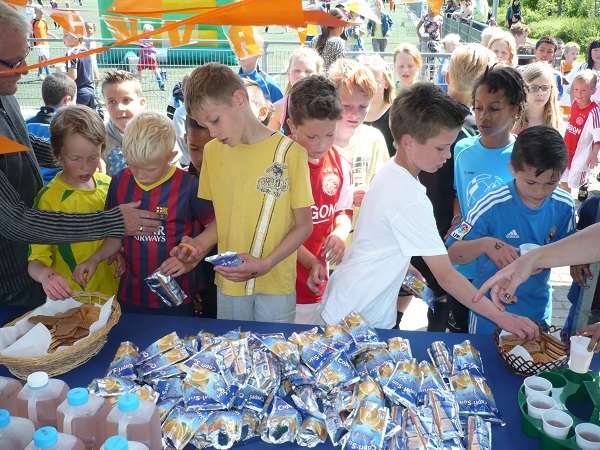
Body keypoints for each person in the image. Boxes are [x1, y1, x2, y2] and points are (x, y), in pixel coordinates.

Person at [318, 82, 539, 340]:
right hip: (356, 319)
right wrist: (503, 318)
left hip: (353, 307)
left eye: (450, 146)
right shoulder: (409, 197)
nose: (448, 155)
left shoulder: (393, 171)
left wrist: (401, 264)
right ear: (409, 142)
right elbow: (446, 276)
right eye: (440, 147)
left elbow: (378, 237)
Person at [0, 1, 160, 308]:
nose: (22, 71)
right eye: (11, 63)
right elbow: (14, 222)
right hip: (10, 281)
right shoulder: (51, 198)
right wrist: (112, 221)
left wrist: (69, 155)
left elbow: (18, 141)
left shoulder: (4, 90)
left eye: (25, 59)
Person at [174, 63, 314, 323]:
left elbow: (304, 226)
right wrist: (199, 245)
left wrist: (266, 263)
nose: (213, 133)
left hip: (275, 285)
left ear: (239, 99)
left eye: (214, 120)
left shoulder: (291, 154)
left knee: (273, 355)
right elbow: (224, 220)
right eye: (205, 126)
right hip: (230, 284)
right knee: (233, 354)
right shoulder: (214, 153)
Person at [73, 111, 215, 316]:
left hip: (177, 293)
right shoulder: (120, 181)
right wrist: (94, 259)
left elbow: (214, 225)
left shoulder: (189, 186)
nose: (140, 175)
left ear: (171, 156)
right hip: (131, 292)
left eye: (149, 169)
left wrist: (191, 253)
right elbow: (116, 234)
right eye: (133, 165)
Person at [447, 126, 575, 333]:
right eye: (531, 182)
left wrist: (575, 262)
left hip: (537, 313)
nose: (540, 192)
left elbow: (571, 249)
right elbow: (452, 253)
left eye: (551, 183)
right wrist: (486, 245)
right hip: (490, 316)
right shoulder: (490, 204)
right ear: (512, 169)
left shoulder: (564, 205)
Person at [407, 43, 495, 332]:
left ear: (450, 72)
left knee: (409, 294)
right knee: (445, 301)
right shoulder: (472, 130)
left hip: (416, 222)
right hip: (447, 230)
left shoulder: (428, 115)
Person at [450, 64, 527, 333]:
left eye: (495, 109)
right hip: (466, 262)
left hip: (508, 266)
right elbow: (459, 195)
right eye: (478, 107)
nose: (484, 116)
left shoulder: (525, 155)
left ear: (516, 111)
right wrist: (457, 220)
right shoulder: (461, 150)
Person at [28, 105, 120, 300]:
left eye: (93, 157)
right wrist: (47, 276)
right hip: (73, 300)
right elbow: (36, 260)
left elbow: (117, 235)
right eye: (75, 158)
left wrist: (120, 252)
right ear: (58, 154)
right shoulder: (49, 199)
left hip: (114, 296)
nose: (85, 167)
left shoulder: (108, 184)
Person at [285, 76, 353, 325]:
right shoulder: (277, 165)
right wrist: (310, 260)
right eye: (312, 137)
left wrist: (340, 234)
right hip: (282, 283)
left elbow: (343, 212)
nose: (321, 144)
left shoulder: (341, 162)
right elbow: (278, 230)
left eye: (329, 134)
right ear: (292, 126)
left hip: (320, 280)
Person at [328, 58, 388, 210]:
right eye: (347, 106)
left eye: (363, 106)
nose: (355, 113)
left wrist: (371, 195)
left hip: (362, 230)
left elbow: (383, 187)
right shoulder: (317, 141)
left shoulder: (375, 139)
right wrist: (347, 196)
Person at [183, 115, 217, 318]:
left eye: (210, 149)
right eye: (194, 149)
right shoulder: (181, 184)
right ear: (186, 139)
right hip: (191, 285)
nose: (201, 158)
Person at [26, 73, 77, 184]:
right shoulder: (70, 128)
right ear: (68, 100)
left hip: (30, 185)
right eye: (75, 100)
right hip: (59, 189)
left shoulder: (25, 124)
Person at [560, 70, 600, 201]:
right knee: (564, 181)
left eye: (583, 90)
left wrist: (594, 154)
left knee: (574, 181)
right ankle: (566, 203)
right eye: (576, 89)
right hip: (566, 149)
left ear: (593, 91)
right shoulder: (574, 103)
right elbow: (572, 118)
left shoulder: (594, 112)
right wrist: (564, 117)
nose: (578, 94)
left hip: (581, 155)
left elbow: (597, 136)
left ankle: (585, 182)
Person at [564, 195, 600, 334]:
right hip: (585, 296)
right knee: (570, 342)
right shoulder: (593, 206)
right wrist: (576, 258)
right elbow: (578, 240)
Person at [268, 47, 323, 135]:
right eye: (297, 70)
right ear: (288, 73)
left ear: (318, 75)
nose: (302, 75)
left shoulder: (328, 104)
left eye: (308, 71)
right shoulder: (279, 108)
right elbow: (270, 143)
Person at [101, 70, 147, 176]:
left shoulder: (158, 134)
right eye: (112, 102)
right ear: (105, 105)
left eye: (126, 100)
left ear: (141, 103)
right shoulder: (98, 139)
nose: (120, 108)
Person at [358, 53, 396, 157]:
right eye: (364, 82)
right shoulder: (351, 113)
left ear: (386, 83)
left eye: (375, 81)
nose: (369, 87)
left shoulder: (395, 113)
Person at [512, 62, 563, 135]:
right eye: (533, 88)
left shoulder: (555, 121)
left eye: (545, 88)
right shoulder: (512, 120)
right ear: (523, 88)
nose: (540, 93)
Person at [237, 35, 284, 103]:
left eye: (246, 49)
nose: (241, 52)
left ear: (259, 53)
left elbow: (282, 111)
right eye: (238, 48)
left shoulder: (270, 85)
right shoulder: (231, 82)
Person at [62, 29, 96, 109]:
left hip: (79, 93)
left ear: (76, 38)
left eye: (66, 35)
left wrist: (60, 73)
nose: (63, 38)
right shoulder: (86, 50)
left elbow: (73, 76)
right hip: (90, 91)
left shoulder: (71, 53)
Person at [134, 23, 165, 91]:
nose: (151, 34)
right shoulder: (142, 39)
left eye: (152, 33)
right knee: (138, 73)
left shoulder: (150, 38)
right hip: (143, 59)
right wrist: (155, 50)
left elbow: (151, 46)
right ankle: (130, 77)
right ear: (145, 32)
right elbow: (146, 46)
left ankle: (161, 85)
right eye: (149, 33)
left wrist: (154, 50)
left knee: (156, 71)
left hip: (151, 58)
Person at [31, 6, 56, 80]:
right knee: (46, 58)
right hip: (38, 44)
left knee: (41, 59)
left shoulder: (44, 21)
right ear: (35, 13)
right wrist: (31, 44)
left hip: (45, 43)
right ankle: (49, 76)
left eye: (42, 14)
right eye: (40, 14)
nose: (41, 16)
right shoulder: (32, 22)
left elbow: (46, 31)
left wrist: (54, 36)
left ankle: (39, 74)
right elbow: (31, 34)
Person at [560, 42, 580, 115]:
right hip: (560, 100)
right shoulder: (560, 65)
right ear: (565, 54)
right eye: (573, 53)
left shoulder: (578, 67)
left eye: (577, 53)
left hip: (570, 101)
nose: (575, 56)